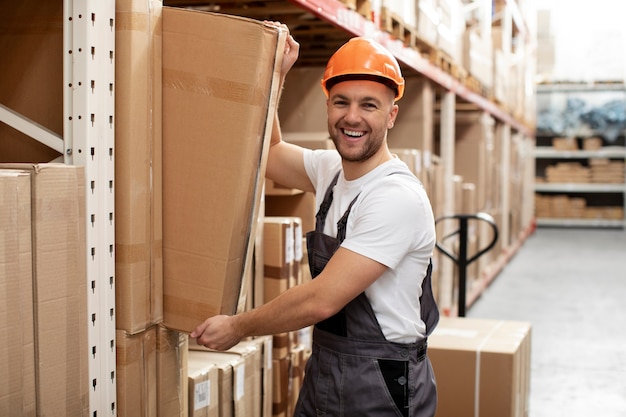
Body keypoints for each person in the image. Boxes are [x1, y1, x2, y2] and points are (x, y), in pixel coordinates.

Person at [191, 23, 439, 417]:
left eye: (368, 105)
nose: (352, 117)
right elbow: (269, 154)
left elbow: (322, 299)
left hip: (381, 383)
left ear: (392, 115)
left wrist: (237, 327)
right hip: (327, 366)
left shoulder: (395, 197)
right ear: (328, 106)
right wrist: (276, 75)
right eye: (341, 102)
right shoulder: (331, 170)